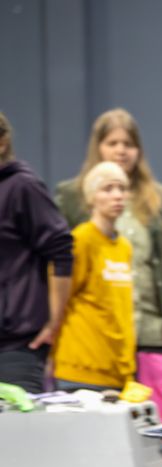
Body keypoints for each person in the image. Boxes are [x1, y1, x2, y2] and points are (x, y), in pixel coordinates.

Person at [55, 108, 162, 353]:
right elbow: (60, 265)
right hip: (97, 330)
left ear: (139, 150)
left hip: (154, 328)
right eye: (112, 143)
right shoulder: (71, 195)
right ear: (98, 147)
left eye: (128, 144)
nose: (120, 150)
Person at [0, 112, 73, 393]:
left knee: (14, 437)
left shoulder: (23, 186)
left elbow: (61, 249)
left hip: (17, 348)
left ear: (3, 142)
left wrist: (55, 321)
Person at [51, 162, 135, 391]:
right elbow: (59, 298)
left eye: (121, 188)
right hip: (81, 369)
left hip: (116, 374)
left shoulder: (124, 247)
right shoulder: (81, 240)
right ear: (92, 198)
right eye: (107, 189)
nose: (117, 196)